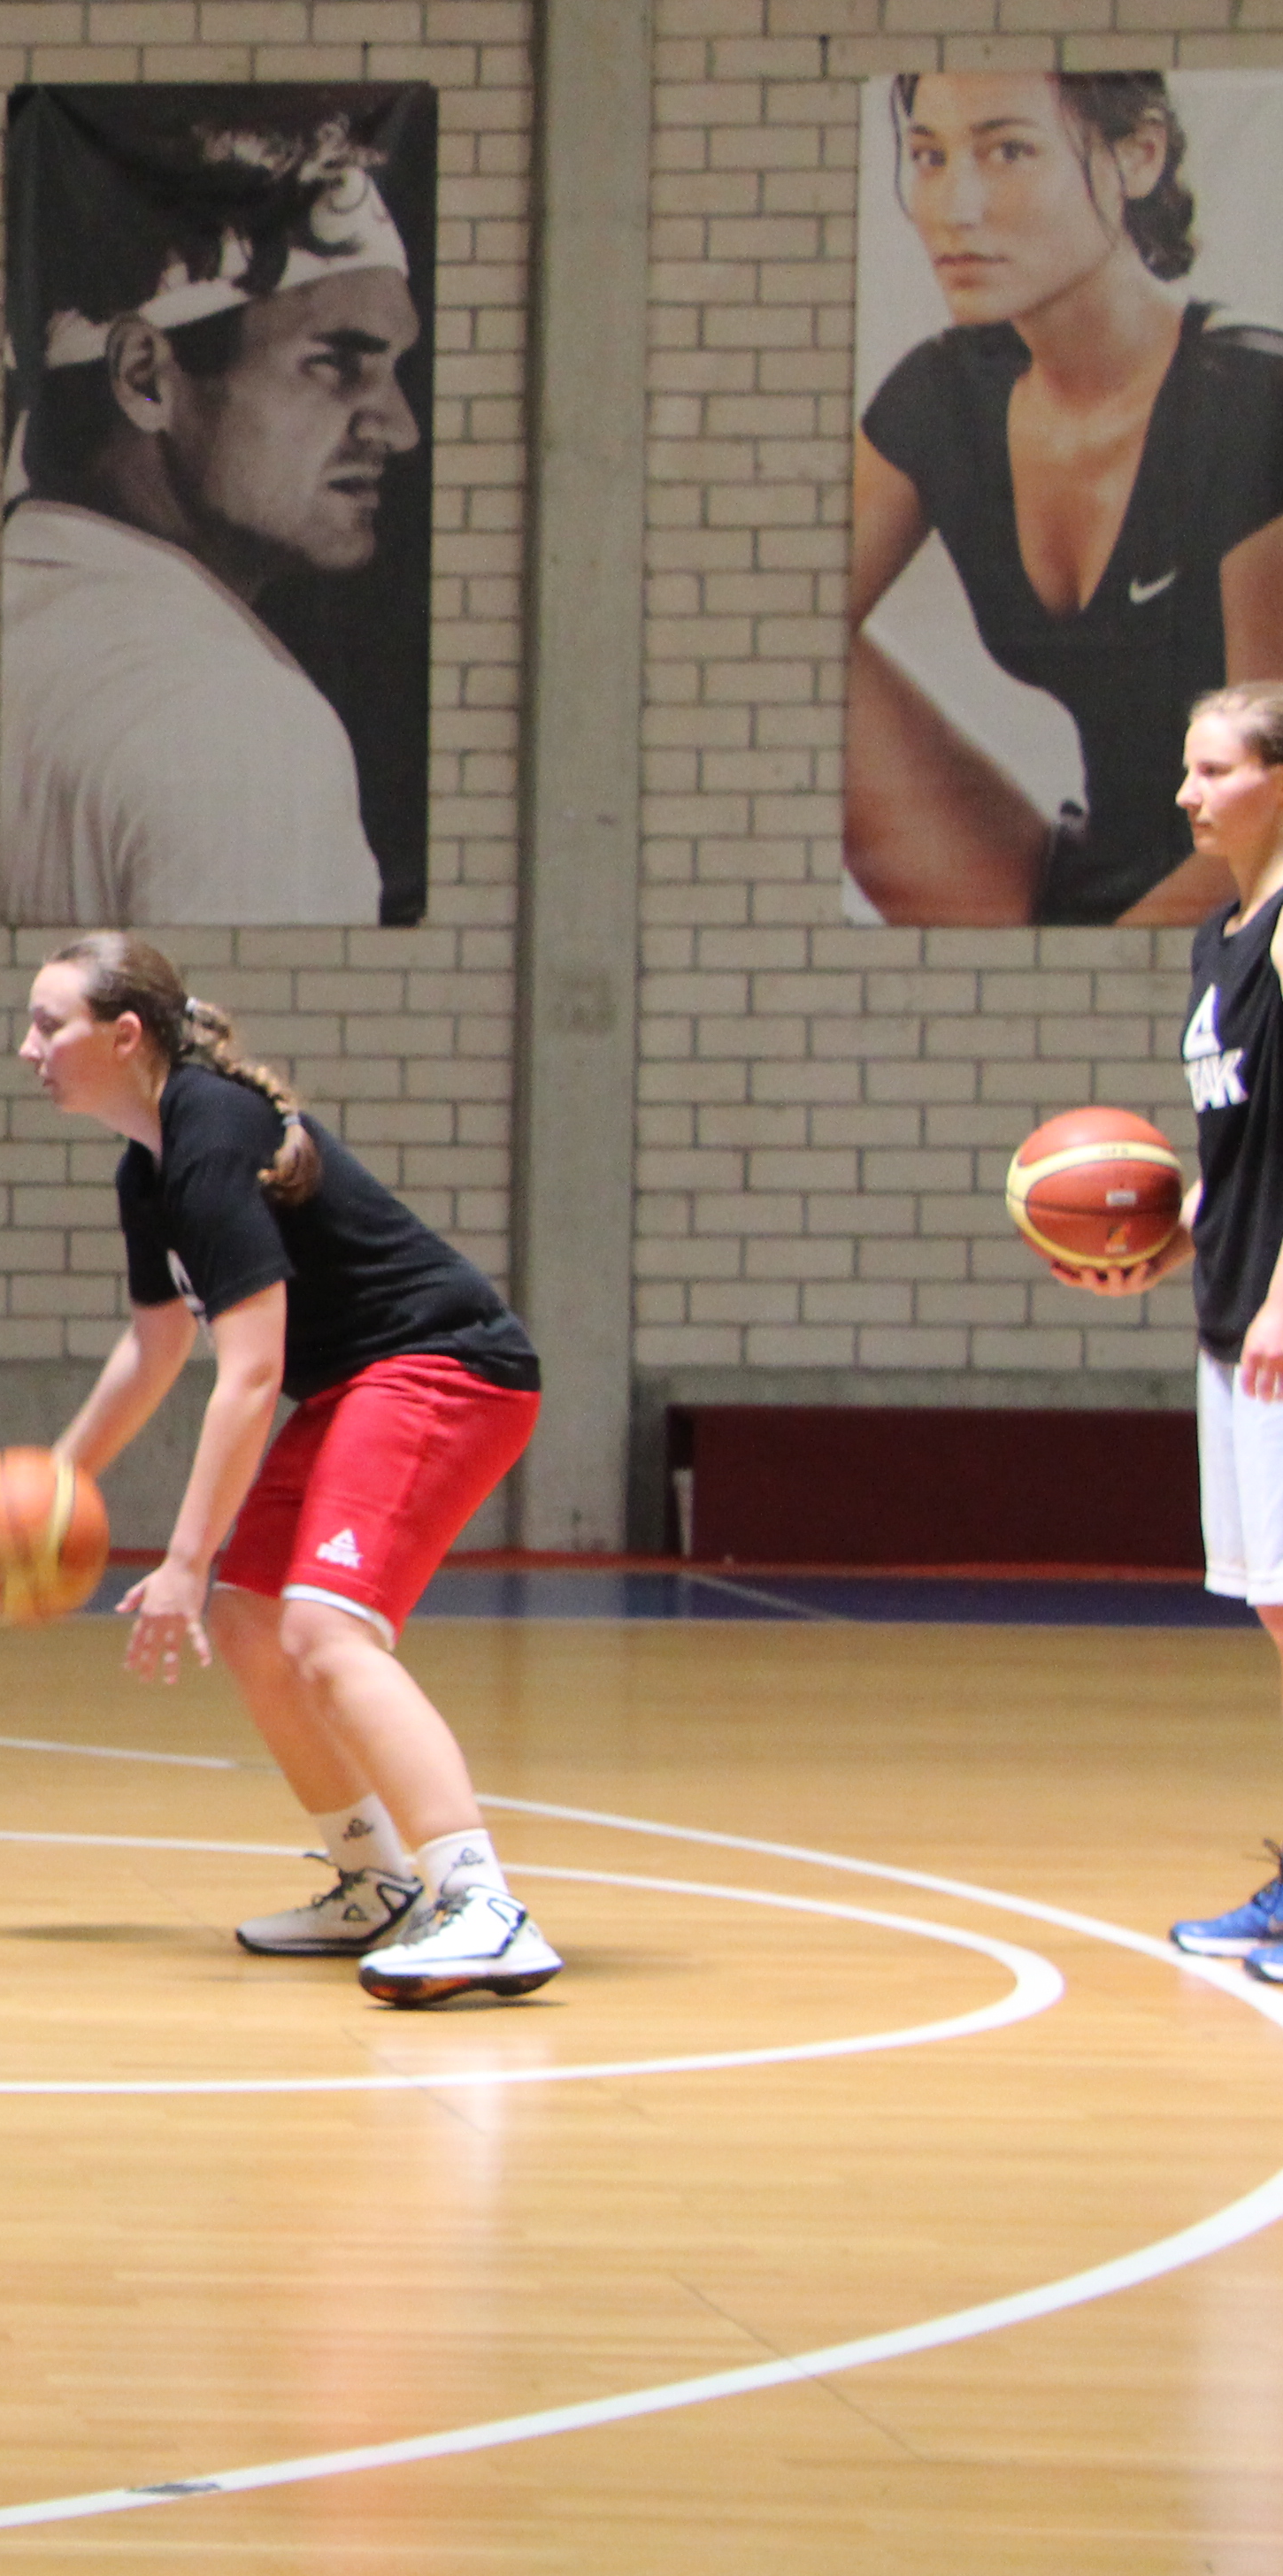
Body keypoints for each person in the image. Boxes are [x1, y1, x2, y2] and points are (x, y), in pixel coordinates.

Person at [19, 931, 557, 2007]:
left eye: (48, 1024)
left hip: (445, 1368)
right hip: (364, 1381)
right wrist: (59, 1480)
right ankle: (376, 1882)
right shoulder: (151, 1164)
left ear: (125, 1035)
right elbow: (156, 1347)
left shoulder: (211, 1129)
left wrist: (181, 1558)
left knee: (321, 1627)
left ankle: (484, 1904)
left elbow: (250, 1376)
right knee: (255, 1617)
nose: (25, 1046)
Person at [852, 73, 1283, 929]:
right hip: (1073, 886)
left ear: (1139, 155)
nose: (955, 207)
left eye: (1008, 151)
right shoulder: (945, 399)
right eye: (928, 156)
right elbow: (746, 620)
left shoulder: (1246, 400)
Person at [3, 133, 417, 928]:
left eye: (395, 368)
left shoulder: (9, 616)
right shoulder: (247, 725)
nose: (399, 428)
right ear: (145, 378)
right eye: (336, 364)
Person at [1103, 682, 1283, 1982]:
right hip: (1234, 1317)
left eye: (1213, 769)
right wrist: (1169, 1248)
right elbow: (1236, 1149)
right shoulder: (1218, 937)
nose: (1187, 794)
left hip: (1279, 1320)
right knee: (1274, 1605)